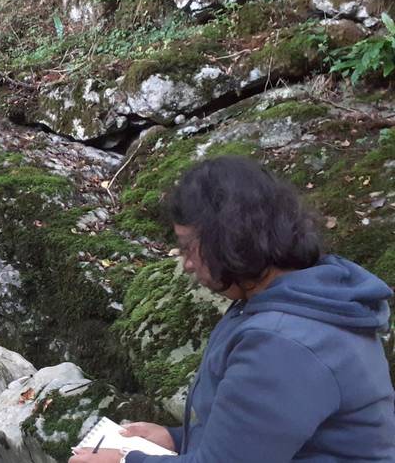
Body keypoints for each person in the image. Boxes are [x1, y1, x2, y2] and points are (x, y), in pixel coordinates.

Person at [70, 156, 395, 463]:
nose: (185, 264)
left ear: (227, 239)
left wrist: (128, 460)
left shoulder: (285, 344)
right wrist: (175, 439)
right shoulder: (298, 298)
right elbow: (260, 438)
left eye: (188, 247)